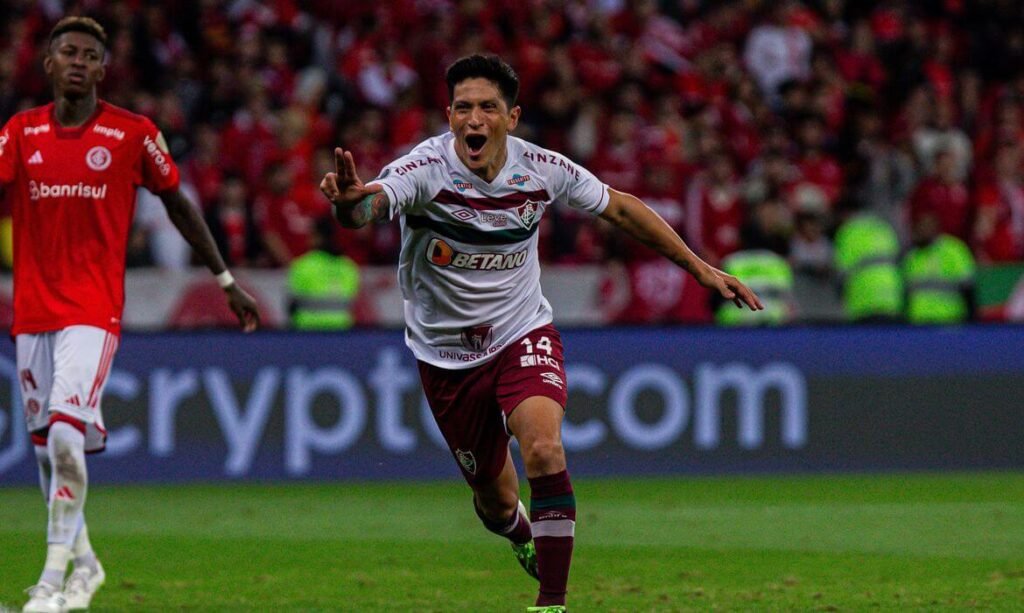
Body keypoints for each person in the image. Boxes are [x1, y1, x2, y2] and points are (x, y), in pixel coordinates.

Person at [319, 54, 762, 612]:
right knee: (495, 503)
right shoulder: (425, 169)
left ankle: (551, 602)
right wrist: (350, 209)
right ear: (448, 115)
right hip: (446, 358)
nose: (473, 119)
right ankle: (520, 533)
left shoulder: (541, 169)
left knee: (545, 448)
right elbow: (374, 204)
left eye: (487, 107)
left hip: (521, 331)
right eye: (463, 108)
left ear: (512, 117)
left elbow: (620, 210)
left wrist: (702, 269)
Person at [0, 17, 260, 612]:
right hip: (32, 311)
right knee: (45, 450)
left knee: (65, 433)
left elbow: (178, 204)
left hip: (92, 312)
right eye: (66, 51)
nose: (77, 61)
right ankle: (86, 565)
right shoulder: (20, 132)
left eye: (89, 55)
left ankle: (51, 580)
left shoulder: (132, 133)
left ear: (102, 69)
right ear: (47, 63)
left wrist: (224, 279)